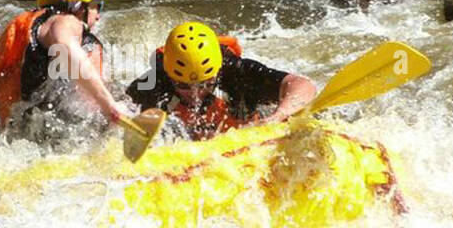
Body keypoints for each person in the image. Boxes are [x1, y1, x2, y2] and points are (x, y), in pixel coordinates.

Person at [0, 0, 131, 142]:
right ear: (78, 5)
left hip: (15, 134)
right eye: (97, 6)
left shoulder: (29, 24)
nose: (98, 15)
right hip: (51, 135)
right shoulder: (66, 21)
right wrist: (110, 107)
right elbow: (65, 47)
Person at [126, 21, 318, 141]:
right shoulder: (152, 85)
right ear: (169, 75)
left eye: (205, 84)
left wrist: (277, 117)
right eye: (183, 85)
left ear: (217, 72)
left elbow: (303, 85)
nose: (195, 93)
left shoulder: (237, 73)